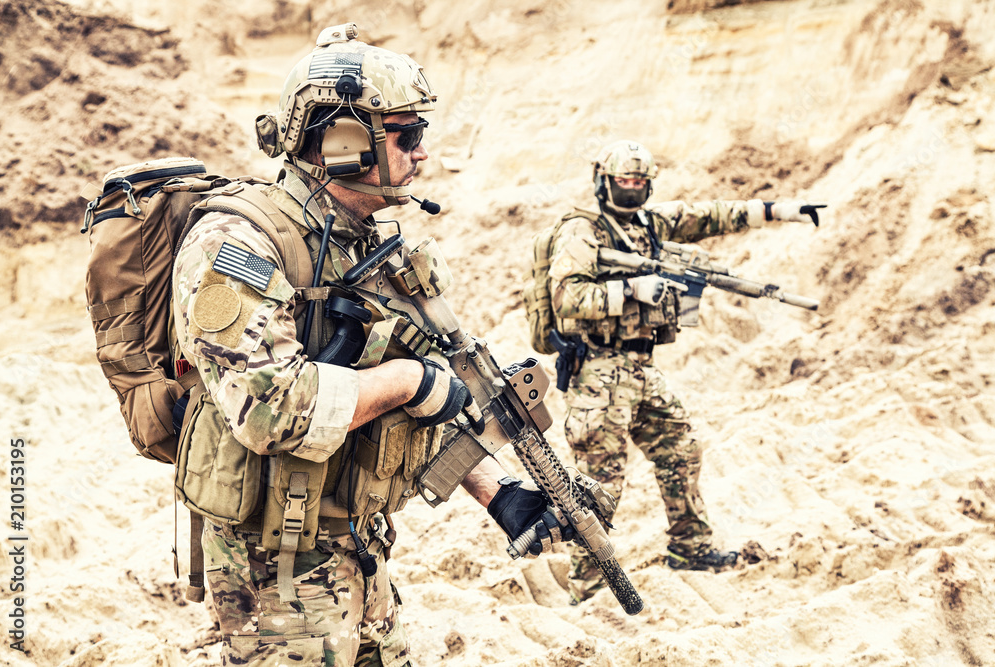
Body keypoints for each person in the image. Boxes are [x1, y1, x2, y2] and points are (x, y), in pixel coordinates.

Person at [171, 24, 569, 666]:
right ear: (343, 143)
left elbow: (417, 397)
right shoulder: (236, 242)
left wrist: (498, 490)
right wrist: (412, 381)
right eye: (406, 135)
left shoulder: (371, 245)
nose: (422, 155)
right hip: (274, 568)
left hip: (358, 544)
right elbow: (269, 410)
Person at [548, 139, 824, 603]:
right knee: (600, 483)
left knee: (680, 449)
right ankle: (589, 587)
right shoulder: (582, 232)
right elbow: (566, 298)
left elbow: (715, 215)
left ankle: (691, 548)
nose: (632, 189)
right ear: (604, 181)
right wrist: (633, 290)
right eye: (624, 181)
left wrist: (784, 209)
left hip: (640, 366)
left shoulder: (650, 225)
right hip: (597, 371)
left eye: (640, 182)